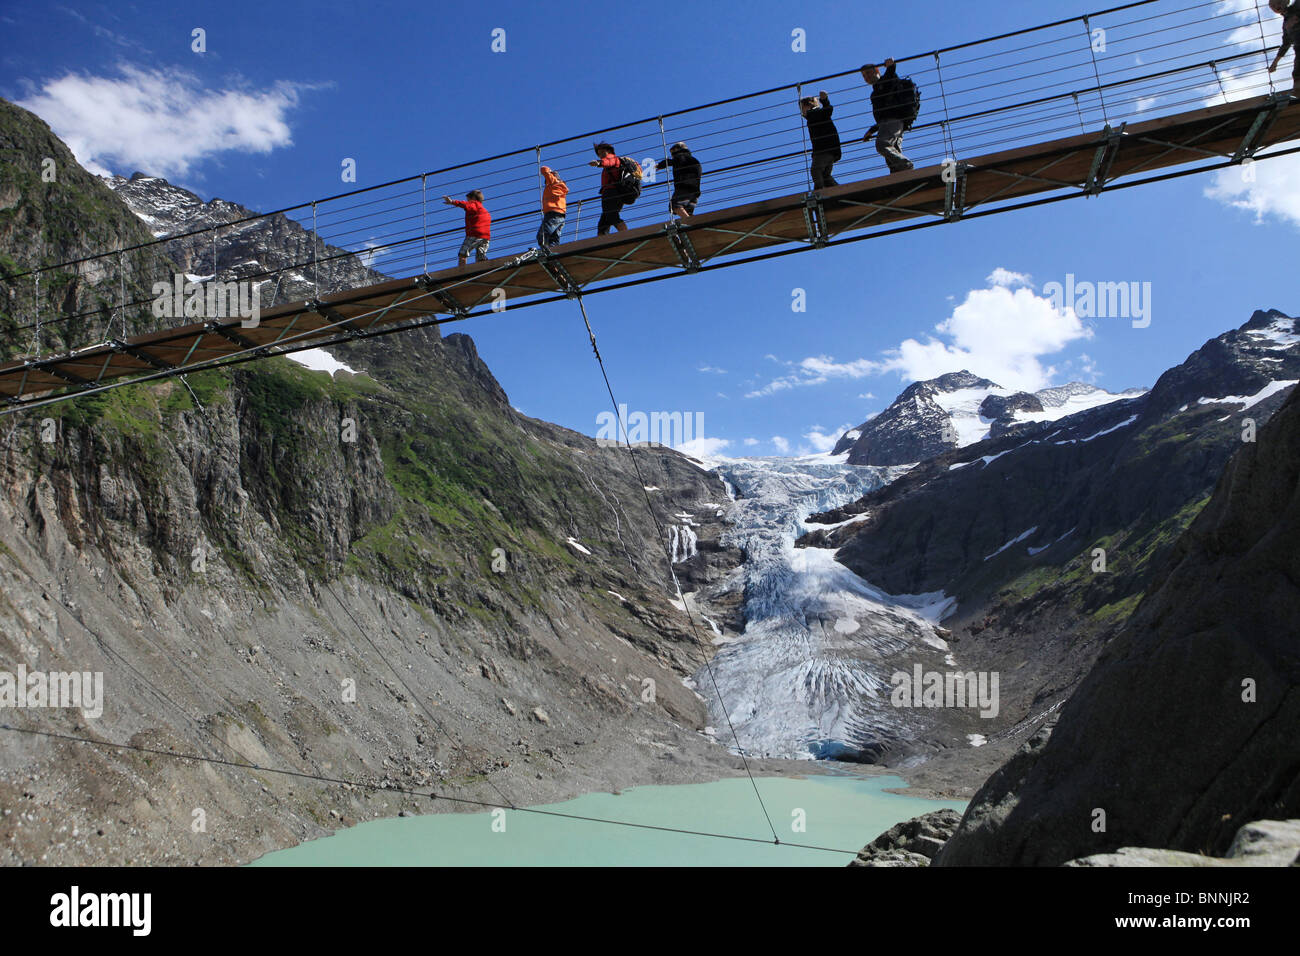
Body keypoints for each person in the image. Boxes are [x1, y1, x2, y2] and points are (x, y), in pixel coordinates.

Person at [860, 58, 917, 174]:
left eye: (868, 73)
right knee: (892, 155)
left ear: (877, 70)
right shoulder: (874, 93)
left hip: (893, 121)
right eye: (864, 76)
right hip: (890, 123)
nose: (866, 77)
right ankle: (900, 176)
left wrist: (891, 65)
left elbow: (891, 73)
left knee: (882, 144)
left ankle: (906, 165)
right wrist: (872, 130)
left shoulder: (886, 80)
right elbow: (882, 116)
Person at [800, 91, 841, 189]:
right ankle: (837, 191)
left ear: (808, 105)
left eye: (802, 108)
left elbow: (827, 110)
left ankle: (820, 193)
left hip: (824, 150)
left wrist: (824, 100)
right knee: (825, 176)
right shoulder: (813, 116)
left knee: (816, 170)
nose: (802, 111)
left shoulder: (815, 112)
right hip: (829, 150)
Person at [589, 142, 630, 235]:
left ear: (609, 151)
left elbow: (608, 161)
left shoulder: (612, 158)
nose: (601, 155)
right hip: (612, 192)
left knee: (611, 216)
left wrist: (599, 163)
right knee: (604, 222)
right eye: (599, 154)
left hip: (612, 192)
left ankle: (626, 235)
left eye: (603, 152)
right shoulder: (610, 162)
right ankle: (602, 243)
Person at [443, 190, 490, 266]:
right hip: (486, 237)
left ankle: (461, 272)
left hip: (474, 234)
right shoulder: (485, 211)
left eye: (468, 199)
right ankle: (483, 269)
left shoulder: (474, 204)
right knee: (481, 257)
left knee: (463, 254)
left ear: (473, 198)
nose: (467, 201)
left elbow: (465, 205)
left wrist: (452, 202)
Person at [655, 142, 703, 218]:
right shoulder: (693, 160)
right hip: (695, 191)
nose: (672, 156)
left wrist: (661, 165)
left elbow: (672, 161)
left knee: (675, 205)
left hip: (684, 187)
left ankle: (689, 223)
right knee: (687, 211)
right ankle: (692, 222)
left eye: (672, 152)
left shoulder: (681, 157)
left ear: (677, 149)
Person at [1268, 0, 1300, 95]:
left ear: (1286, 1)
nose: (1276, 6)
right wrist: (1275, 63)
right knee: (1297, 74)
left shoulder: (1297, 6)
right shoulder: (1285, 25)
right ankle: (1297, 96)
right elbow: (1285, 44)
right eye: (1272, 6)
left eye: (1279, 2)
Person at [537, 166, 569, 250]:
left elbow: (543, 169)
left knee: (542, 236)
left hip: (552, 213)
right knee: (554, 239)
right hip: (560, 215)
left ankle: (546, 252)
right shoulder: (560, 187)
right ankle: (554, 253)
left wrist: (550, 172)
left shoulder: (554, 183)